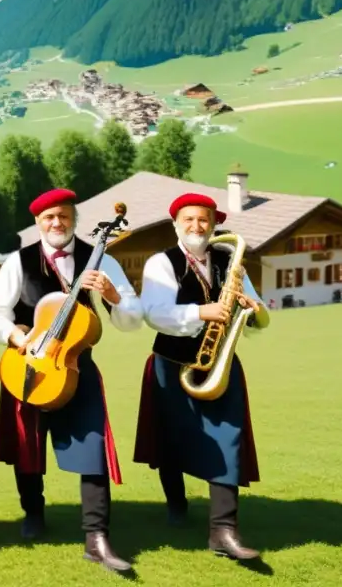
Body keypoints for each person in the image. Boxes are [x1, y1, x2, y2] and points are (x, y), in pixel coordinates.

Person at [0, 189, 142, 573]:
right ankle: (33, 512)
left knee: (93, 450)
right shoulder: (19, 263)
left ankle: (97, 538)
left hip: (77, 367)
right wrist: (16, 336)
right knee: (28, 448)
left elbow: (133, 317)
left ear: (74, 219)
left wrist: (114, 295)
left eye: (64, 216)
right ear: (38, 223)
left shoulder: (100, 258)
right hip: (29, 364)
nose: (57, 223)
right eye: (49, 217)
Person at [134, 193, 270, 561]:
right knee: (171, 439)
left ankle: (223, 531)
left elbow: (253, 307)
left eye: (204, 220)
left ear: (213, 223)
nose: (197, 226)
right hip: (171, 362)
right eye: (190, 219)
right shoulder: (161, 263)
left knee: (228, 437)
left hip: (220, 363)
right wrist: (202, 312)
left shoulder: (230, 259)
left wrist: (252, 307)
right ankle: (176, 504)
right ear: (176, 223)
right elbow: (155, 313)